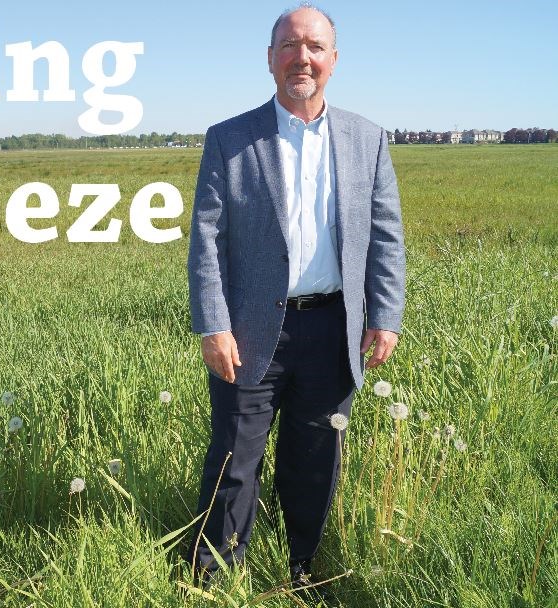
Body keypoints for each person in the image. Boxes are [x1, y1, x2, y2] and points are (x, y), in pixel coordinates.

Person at [185, 3, 405, 589]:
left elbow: (385, 233)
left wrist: (384, 314)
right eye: (288, 46)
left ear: (333, 60)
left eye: (313, 47)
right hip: (250, 330)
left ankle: (301, 572)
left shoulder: (367, 139)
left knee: (314, 462)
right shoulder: (230, 139)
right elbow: (206, 237)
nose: (300, 57)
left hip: (334, 330)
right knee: (235, 461)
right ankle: (213, 580)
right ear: (270, 59)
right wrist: (213, 324)